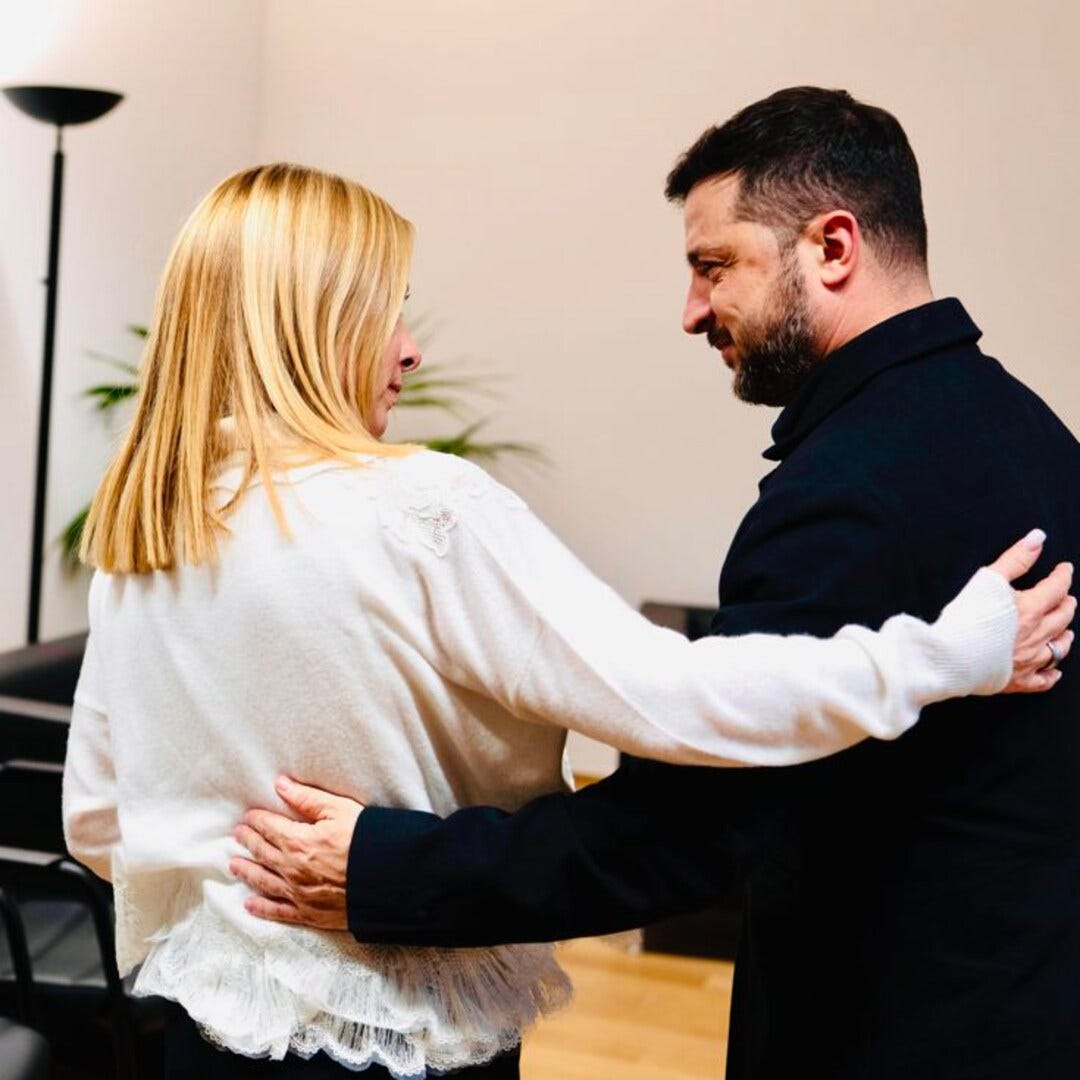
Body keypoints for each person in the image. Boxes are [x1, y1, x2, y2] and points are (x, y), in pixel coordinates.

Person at [60, 164, 1068, 1080]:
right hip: (400, 1036)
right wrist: (945, 657)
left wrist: (232, 894)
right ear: (309, 323)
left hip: (209, 1031)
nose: (409, 350)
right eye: (387, 312)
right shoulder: (421, 510)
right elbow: (681, 703)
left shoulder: (146, 527)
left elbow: (98, 819)